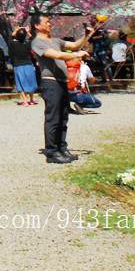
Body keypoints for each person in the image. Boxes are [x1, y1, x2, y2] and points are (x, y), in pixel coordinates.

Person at [30, 14, 91, 164]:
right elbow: (56, 55)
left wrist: (88, 35)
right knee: (53, 117)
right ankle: (51, 152)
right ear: (37, 26)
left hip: (62, 82)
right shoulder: (37, 42)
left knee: (63, 116)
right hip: (50, 82)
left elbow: (75, 45)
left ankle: (62, 147)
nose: (50, 24)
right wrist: (76, 55)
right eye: (47, 22)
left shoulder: (56, 40)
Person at [10, 28, 38, 106]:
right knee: (31, 81)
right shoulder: (28, 43)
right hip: (29, 64)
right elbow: (32, 38)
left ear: (17, 36)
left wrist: (17, 29)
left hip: (18, 66)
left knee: (21, 83)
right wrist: (28, 31)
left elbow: (12, 36)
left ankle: (25, 101)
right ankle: (31, 99)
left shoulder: (14, 44)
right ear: (25, 36)